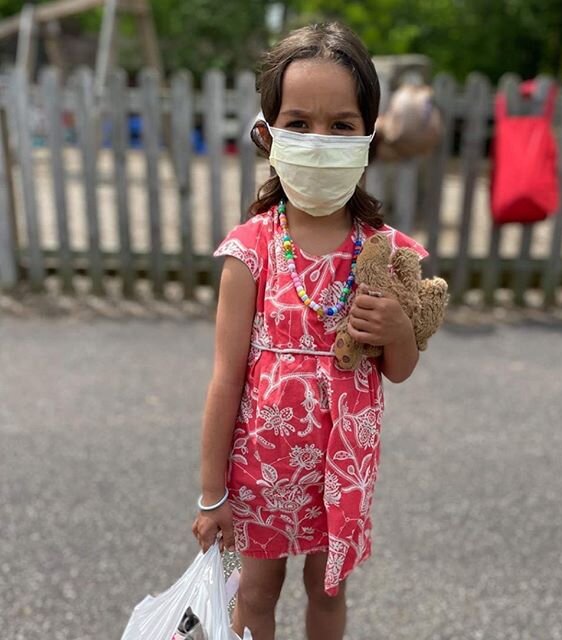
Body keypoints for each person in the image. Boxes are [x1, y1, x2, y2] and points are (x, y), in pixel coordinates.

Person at [192, 22, 429, 640]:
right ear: (268, 134)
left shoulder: (386, 253)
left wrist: (398, 327)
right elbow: (225, 376)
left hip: (343, 468)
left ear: (368, 137)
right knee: (258, 594)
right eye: (298, 122)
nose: (319, 140)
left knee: (329, 593)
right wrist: (212, 493)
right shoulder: (251, 250)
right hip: (262, 468)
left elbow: (398, 367)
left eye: (341, 125)